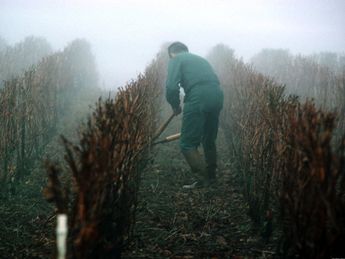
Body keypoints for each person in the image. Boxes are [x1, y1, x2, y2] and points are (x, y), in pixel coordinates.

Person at [165, 42, 224, 188]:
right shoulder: (200, 59)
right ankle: (211, 176)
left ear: (171, 53)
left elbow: (172, 86)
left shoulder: (176, 59)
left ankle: (203, 180)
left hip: (198, 97)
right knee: (208, 138)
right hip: (217, 95)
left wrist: (175, 105)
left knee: (187, 143)